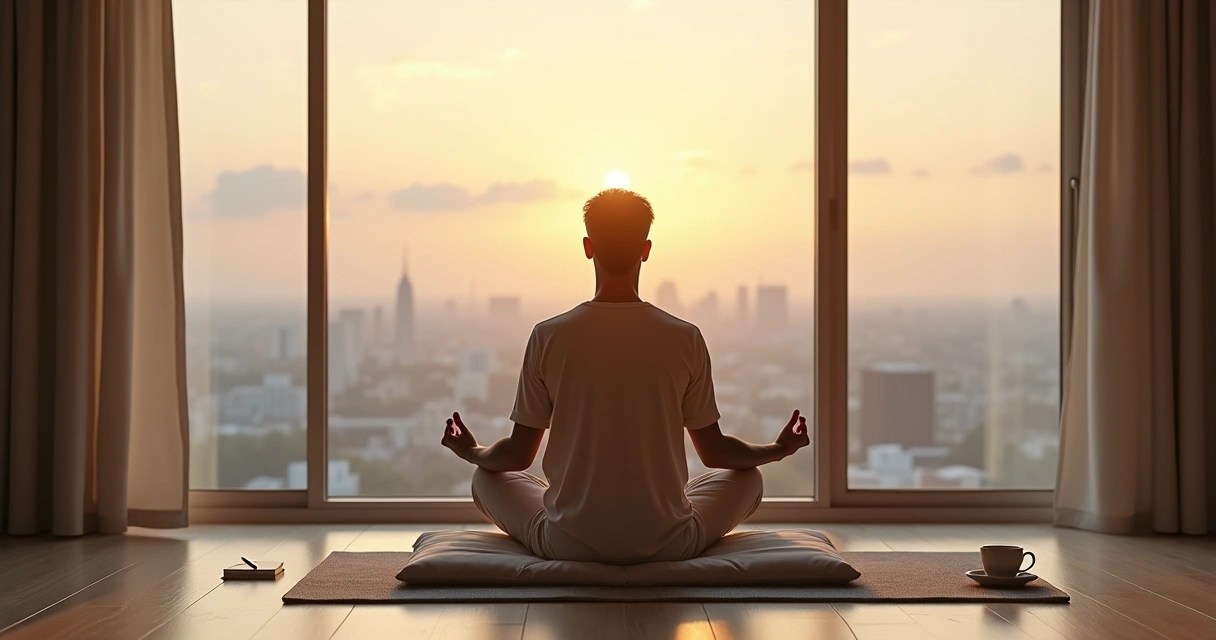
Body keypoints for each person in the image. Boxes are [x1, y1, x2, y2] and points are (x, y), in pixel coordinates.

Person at [440, 188, 810, 565]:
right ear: (645, 249)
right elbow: (715, 453)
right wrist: (779, 449)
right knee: (748, 478)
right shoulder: (684, 337)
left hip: (568, 543)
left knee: (485, 477)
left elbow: (518, 456)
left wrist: (470, 450)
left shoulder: (548, 336)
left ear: (588, 246)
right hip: (668, 542)